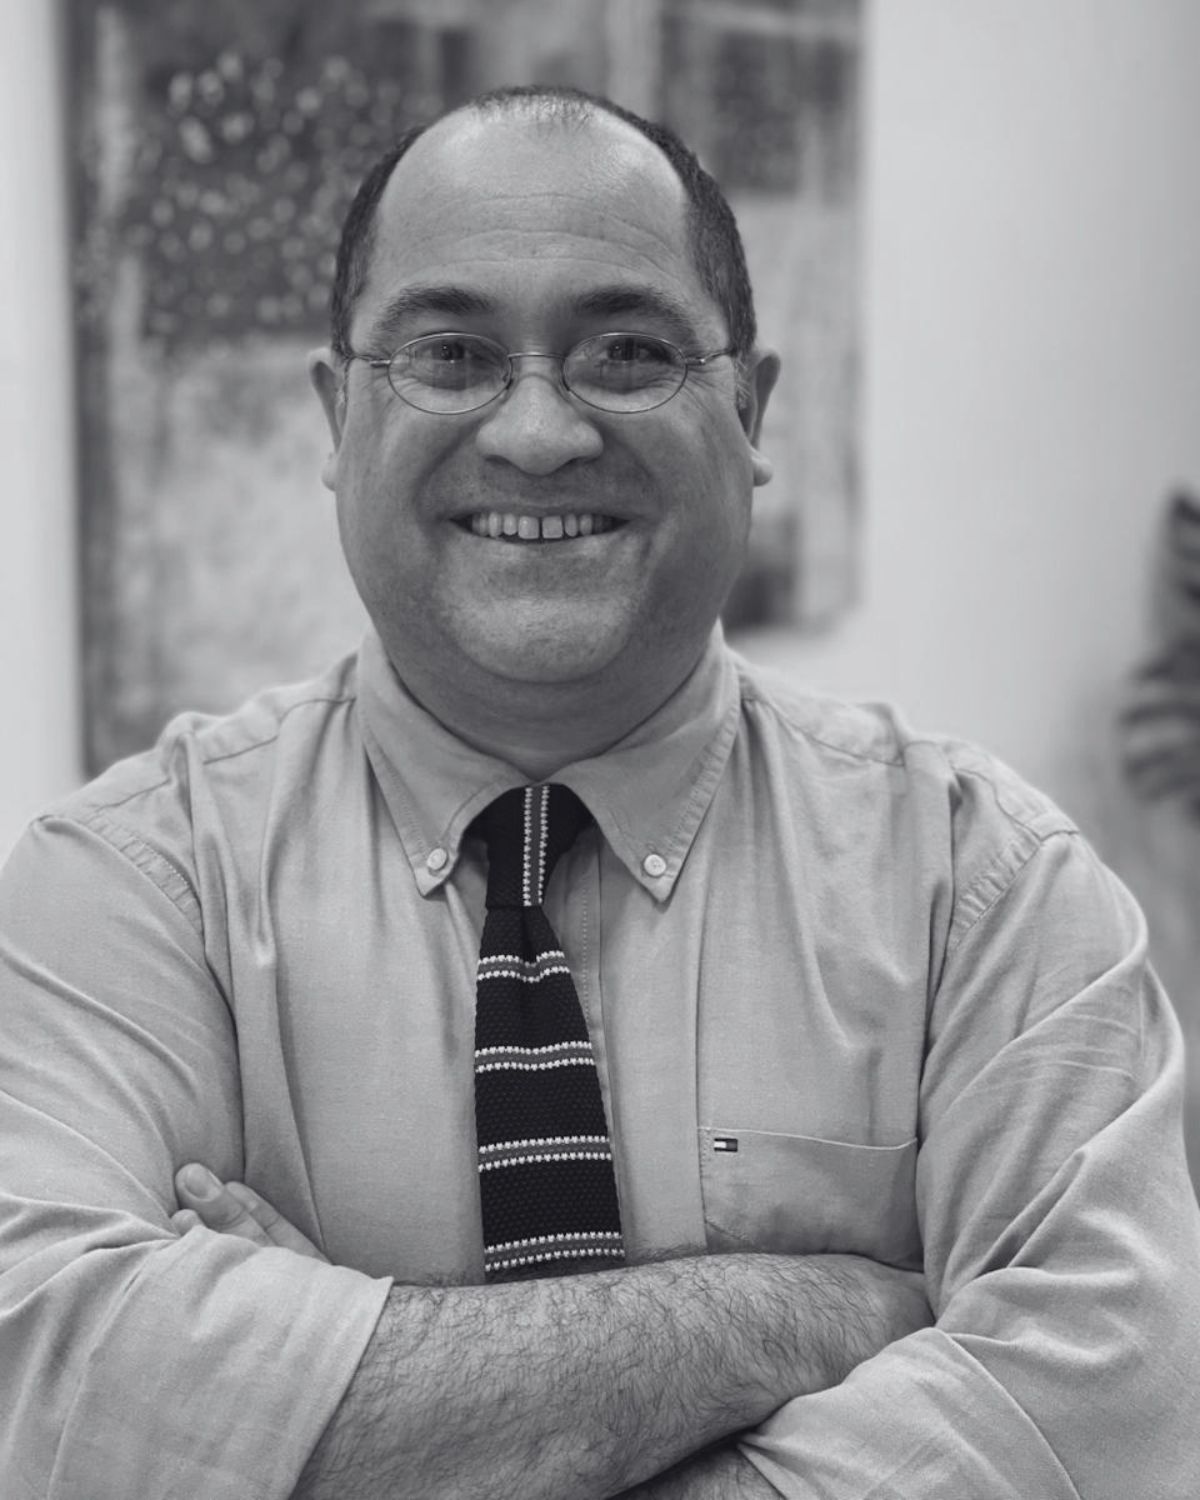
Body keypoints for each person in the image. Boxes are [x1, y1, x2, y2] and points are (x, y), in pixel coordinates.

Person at [1, 84, 1198, 1500]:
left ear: (748, 410)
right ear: (336, 415)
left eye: (627, 353)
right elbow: (48, 1386)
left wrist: (320, 1420)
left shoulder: (987, 896)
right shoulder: (127, 893)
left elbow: (1102, 1426)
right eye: (450, 354)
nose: (536, 432)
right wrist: (803, 1313)